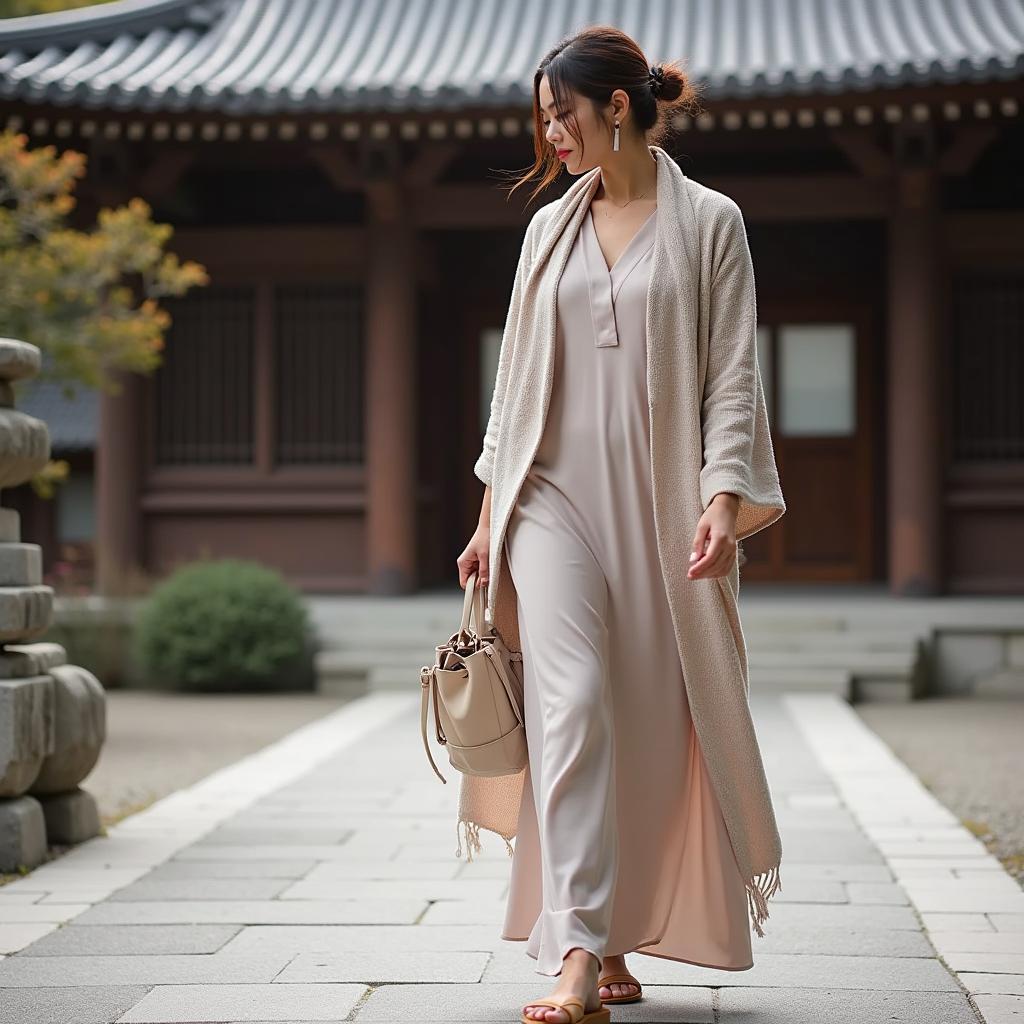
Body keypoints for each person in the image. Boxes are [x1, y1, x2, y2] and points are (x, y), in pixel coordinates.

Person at [457, 26, 782, 1024]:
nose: (553, 133)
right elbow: (512, 392)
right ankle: (576, 954)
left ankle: (616, 938)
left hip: (660, 506)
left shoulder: (711, 222)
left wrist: (721, 499)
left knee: (646, 723)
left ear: (621, 107)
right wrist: (486, 517)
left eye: (566, 113)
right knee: (575, 704)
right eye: (544, 117)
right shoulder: (545, 230)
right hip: (549, 502)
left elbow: (732, 374)